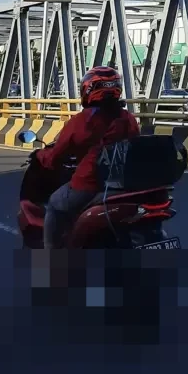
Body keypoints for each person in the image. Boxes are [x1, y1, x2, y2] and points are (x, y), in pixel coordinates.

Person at [39, 66, 140, 249]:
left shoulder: (83, 120)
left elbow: (58, 153)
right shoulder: (128, 117)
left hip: (91, 183)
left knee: (54, 204)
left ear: (88, 89)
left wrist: (45, 159)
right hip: (125, 183)